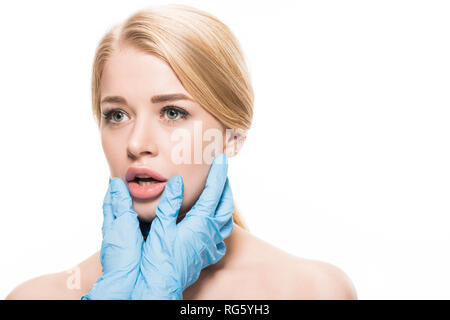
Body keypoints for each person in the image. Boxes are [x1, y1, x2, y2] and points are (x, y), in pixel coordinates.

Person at [6, 4, 357, 300]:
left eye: (173, 113)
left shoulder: (311, 291)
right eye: (117, 115)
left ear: (232, 137)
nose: (136, 143)